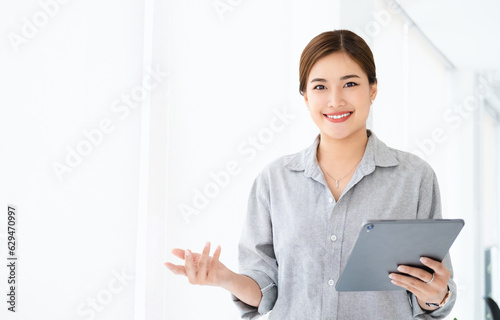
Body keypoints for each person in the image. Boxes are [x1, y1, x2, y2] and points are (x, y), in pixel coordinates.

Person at [165, 29, 456, 319]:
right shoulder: (275, 180)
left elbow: (432, 294)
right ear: (305, 97)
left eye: (350, 83)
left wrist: (436, 295)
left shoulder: (414, 178)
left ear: (373, 90)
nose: (335, 101)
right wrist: (225, 278)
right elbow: (266, 290)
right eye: (319, 87)